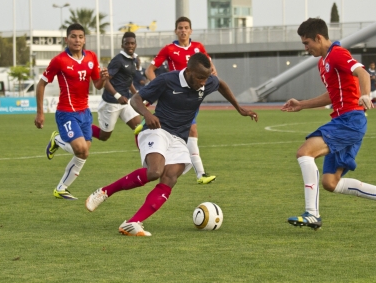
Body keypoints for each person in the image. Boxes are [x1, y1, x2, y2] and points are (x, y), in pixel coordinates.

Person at [85, 53, 258, 236]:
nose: (203, 82)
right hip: (157, 129)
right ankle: (104, 192)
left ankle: (133, 222)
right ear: (189, 71)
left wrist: (239, 108)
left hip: (179, 139)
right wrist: (147, 114)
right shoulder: (167, 80)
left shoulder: (205, 82)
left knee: (170, 177)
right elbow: (135, 100)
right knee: (155, 172)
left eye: (206, 78)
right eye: (200, 77)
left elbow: (220, 84)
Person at [281, 18, 376, 230]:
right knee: (330, 183)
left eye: (307, 43)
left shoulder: (337, 53)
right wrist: (302, 104)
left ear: (318, 37)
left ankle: (311, 213)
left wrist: (365, 95)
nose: (306, 48)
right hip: (342, 121)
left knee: (304, 152)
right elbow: (332, 95)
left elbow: (361, 72)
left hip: (350, 120)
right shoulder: (322, 62)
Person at [34, 23, 109, 200]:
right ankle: (57, 139)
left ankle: (61, 188)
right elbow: (41, 84)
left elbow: (97, 84)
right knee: (81, 148)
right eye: (73, 36)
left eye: (80, 37)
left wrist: (104, 79)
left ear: (84, 39)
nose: (77, 40)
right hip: (66, 112)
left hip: (85, 112)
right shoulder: (60, 60)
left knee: (83, 153)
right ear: (67, 39)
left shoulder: (91, 57)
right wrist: (40, 113)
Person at [144, 16, 218, 184]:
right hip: (176, 98)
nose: (183, 30)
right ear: (176, 31)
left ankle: (197, 172)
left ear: (191, 31)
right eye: (180, 28)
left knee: (189, 131)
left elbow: (211, 69)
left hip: (193, 96)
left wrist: (211, 82)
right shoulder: (169, 49)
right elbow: (150, 69)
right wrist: (158, 89)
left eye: (186, 27)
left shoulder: (198, 48)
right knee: (192, 130)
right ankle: (201, 173)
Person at [91, 32, 142, 141]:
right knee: (103, 136)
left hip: (125, 102)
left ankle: (147, 156)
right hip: (111, 102)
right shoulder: (118, 60)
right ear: (122, 45)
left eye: (132, 43)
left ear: (135, 44)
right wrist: (117, 96)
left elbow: (128, 80)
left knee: (140, 128)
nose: (130, 45)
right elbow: (105, 81)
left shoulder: (134, 59)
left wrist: (137, 95)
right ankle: (82, 128)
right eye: (127, 43)